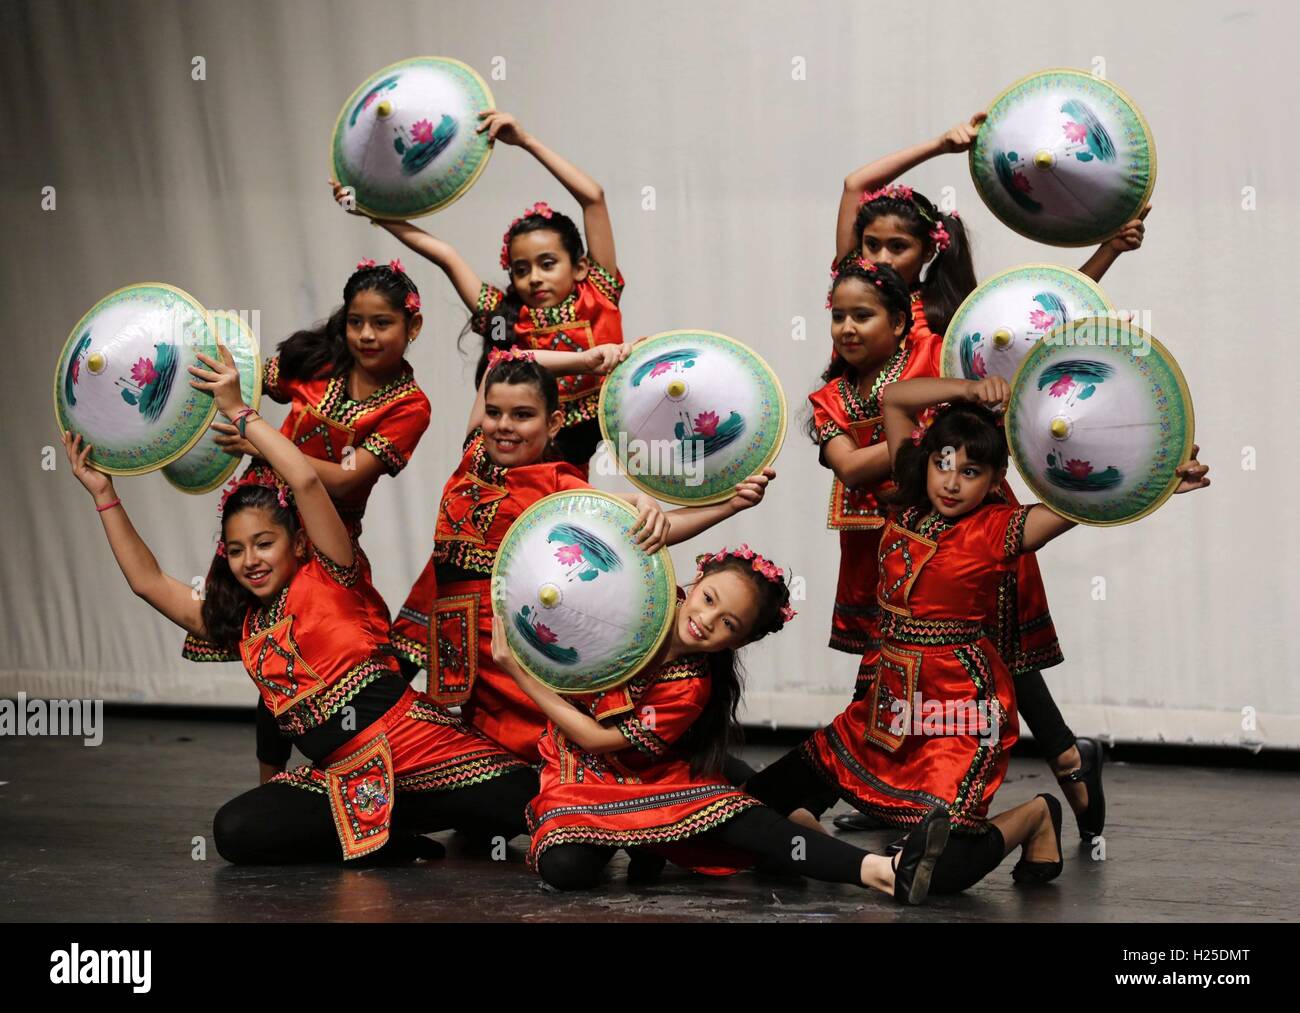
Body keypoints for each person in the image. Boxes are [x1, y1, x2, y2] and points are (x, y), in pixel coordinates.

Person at [61, 344, 536, 864]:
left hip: (424, 754)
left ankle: (417, 823)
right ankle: (391, 834)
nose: (250, 561)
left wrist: (240, 414)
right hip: (345, 779)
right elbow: (147, 581)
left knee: (534, 807)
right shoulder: (239, 621)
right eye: (237, 549)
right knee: (235, 831)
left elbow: (307, 481)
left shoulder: (332, 571)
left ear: (297, 541)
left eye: (264, 544)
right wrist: (102, 492)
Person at [746, 374, 1210, 892]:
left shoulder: (999, 528)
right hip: (885, 704)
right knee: (754, 813)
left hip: (958, 710)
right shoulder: (908, 499)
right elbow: (897, 398)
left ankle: (1034, 817)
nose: (950, 481)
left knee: (935, 878)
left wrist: (1164, 472)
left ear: (993, 480)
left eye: (969, 471)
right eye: (942, 463)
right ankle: (810, 830)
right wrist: (971, 391)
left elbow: (1091, 500)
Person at [499, 546, 951, 904]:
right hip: (581, 775)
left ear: (742, 639)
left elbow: (598, 737)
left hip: (649, 779)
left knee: (735, 816)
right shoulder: (644, 600)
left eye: (727, 623)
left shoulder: (691, 686)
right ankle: (654, 843)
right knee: (565, 868)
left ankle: (882, 872)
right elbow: (630, 538)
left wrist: (518, 672)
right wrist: (652, 504)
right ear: (695, 582)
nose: (706, 620)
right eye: (708, 599)